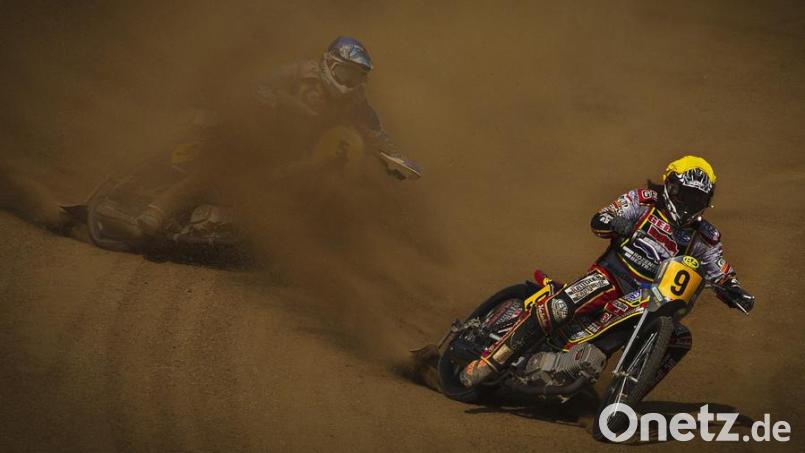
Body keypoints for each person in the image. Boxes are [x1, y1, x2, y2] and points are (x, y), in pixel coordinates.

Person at [460, 155, 755, 388]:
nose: (690, 204)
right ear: (671, 186)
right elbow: (605, 216)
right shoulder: (643, 201)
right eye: (686, 195)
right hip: (611, 278)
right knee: (560, 307)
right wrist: (613, 222)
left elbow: (718, 268)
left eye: (698, 199)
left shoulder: (705, 236)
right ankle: (490, 363)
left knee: (679, 339)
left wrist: (734, 289)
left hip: (650, 300)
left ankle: (616, 391)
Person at [136, 36, 420, 236]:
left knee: (300, 183)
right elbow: (258, 85)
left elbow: (375, 131)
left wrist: (398, 161)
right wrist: (277, 101)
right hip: (257, 137)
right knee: (220, 170)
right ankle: (157, 210)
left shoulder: (356, 99)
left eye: (357, 77)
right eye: (345, 73)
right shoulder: (300, 72)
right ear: (329, 64)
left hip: (296, 151)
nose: (349, 82)